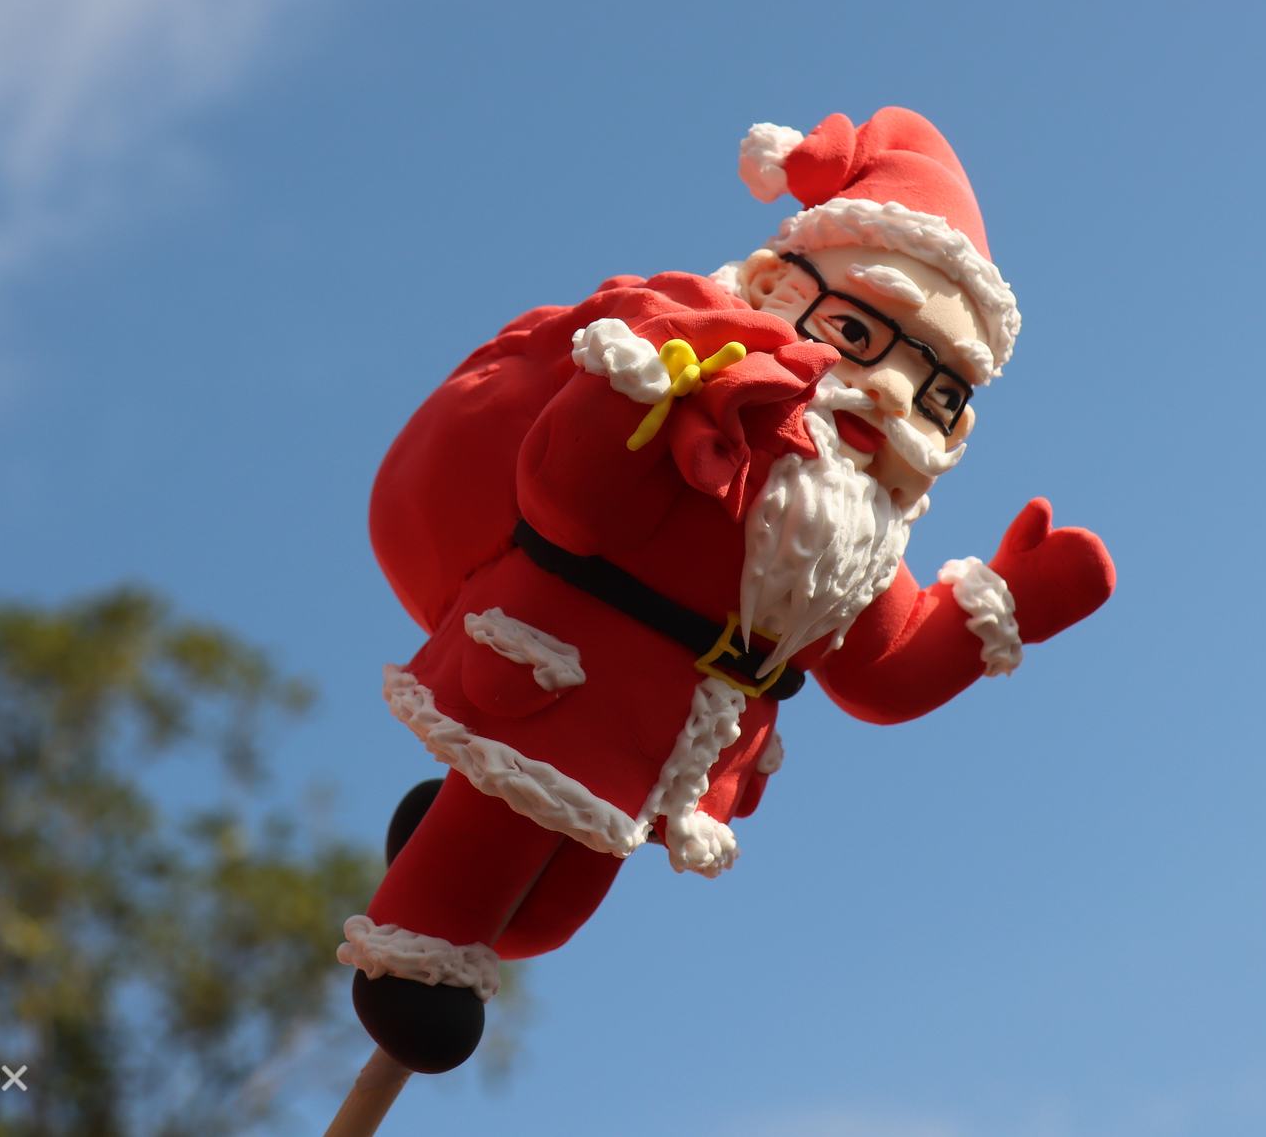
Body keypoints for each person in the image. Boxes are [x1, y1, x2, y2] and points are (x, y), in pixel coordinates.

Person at [342, 107, 1116, 1072]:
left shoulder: (856, 530)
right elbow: (566, 502)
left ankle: (447, 865)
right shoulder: (707, 408)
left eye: (939, 390)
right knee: (491, 847)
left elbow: (879, 670)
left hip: (673, 745)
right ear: (775, 291)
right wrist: (622, 403)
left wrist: (1010, 605)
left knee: (553, 909)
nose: (891, 391)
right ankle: (410, 962)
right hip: (566, 679)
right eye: (859, 333)